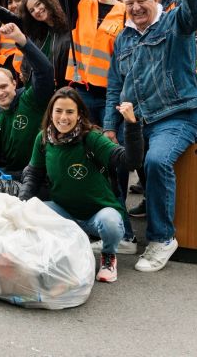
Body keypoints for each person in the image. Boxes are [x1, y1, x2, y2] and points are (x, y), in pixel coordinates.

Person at [104, 0, 197, 273]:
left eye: (141, 1)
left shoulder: (175, 20)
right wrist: (109, 126)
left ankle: (162, 238)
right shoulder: (123, 39)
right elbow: (113, 87)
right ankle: (122, 235)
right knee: (110, 160)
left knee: (156, 160)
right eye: (129, 2)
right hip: (135, 122)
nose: (135, 7)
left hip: (177, 115)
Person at [20, 90, 143, 283]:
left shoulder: (91, 138)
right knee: (31, 211)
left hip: (97, 214)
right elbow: (33, 175)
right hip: (65, 212)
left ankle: (109, 255)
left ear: (79, 115)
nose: (63, 117)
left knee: (110, 223)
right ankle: (58, 254)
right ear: (50, 112)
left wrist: (131, 125)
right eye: (58, 111)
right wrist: (21, 204)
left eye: (70, 112)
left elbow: (130, 162)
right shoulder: (43, 139)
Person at [0, 23, 55, 179]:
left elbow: (45, 71)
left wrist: (22, 41)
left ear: (14, 83)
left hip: (43, 177)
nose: (0, 93)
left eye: (4, 86)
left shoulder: (31, 99)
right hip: (15, 178)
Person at [51, 0, 125, 126]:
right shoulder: (81, 5)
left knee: (109, 142)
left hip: (111, 93)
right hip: (83, 90)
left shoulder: (126, 11)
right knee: (87, 142)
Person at [0, 0, 70, 89]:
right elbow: (4, 18)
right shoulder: (34, 29)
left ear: (48, 1)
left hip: (65, 86)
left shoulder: (69, 24)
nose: (36, 10)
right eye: (32, 10)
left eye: (38, 4)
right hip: (33, 85)